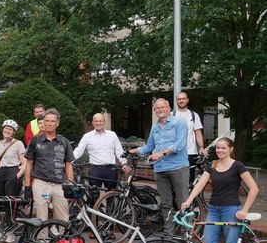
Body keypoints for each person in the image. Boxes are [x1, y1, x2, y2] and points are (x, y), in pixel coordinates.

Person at [181, 137, 258, 243]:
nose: (220, 151)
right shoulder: (213, 165)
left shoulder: (238, 166)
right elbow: (200, 184)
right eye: (218, 148)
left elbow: (254, 188)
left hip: (231, 209)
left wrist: (244, 210)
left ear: (230, 149)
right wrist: (188, 201)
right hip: (214, 209)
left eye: (223, 148)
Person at [129, 98, 188, 235]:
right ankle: (169, 234)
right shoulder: (155, 126)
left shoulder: (179, 122)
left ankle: (186, 235)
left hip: (177, 166)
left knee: (183, 203)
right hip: (160, 168)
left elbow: (179, 144)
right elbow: (150, 146)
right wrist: (135, 150)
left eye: (163, 107)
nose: (160, 110)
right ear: (155, 111)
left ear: (169, 108)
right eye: (157, 108)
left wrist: (161, 153)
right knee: (166, 203)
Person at [23, 109, 74, 223]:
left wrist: (70, 185)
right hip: (41, 184)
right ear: (43, 123)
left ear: (57, 123)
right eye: (47, 121)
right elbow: (29, 164)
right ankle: (42, 241)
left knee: (63, 218)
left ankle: (61, 240)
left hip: (59, 185)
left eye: (52, 121)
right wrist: (27, 187)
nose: (49, 123)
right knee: (41, 218)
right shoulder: (35, 141)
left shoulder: (64, 141)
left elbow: (68, 165)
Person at [73, 113, 130, 190]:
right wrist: (69, 161)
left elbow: (119, 151)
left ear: (104, 122)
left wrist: (124, 163)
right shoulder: (87, 136)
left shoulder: (112, 135)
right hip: (95, 170)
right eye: (96, 121)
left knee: (111, 196)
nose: (98, 123)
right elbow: (79, 150)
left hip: (111, 170)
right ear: (93, 122)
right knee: (93, 197)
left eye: (100, 121)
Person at [172, 91, 208, 183]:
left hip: (190, 152)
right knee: (175, 179)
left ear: (187, 100)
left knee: (189, 179)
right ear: (176, 101)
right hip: (174, 152)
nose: (181, 101)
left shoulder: (194, 115)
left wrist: (201, 147)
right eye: (179, 99)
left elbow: (198, 132)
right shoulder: (171, 115)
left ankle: (189, 197)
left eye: (183, 98)